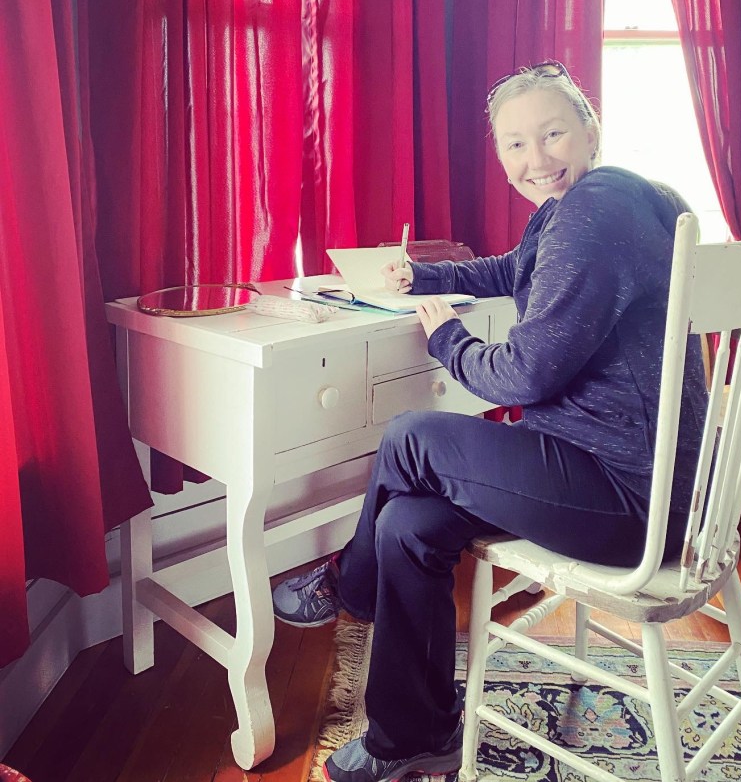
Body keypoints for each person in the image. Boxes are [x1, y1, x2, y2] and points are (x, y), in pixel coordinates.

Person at [272, 61, 707, 782]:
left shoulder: (596, 212)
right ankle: (412, 736)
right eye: (514, 143)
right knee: (406, 523)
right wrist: (429, 277)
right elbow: (513, 270)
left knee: (410, 436)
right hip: (626, 482)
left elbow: (525, 375)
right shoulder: (590, 206)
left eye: (552, 134)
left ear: (590, 130)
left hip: (630, 500)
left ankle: (350, 589)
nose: (535, 159)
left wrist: (448, 339)